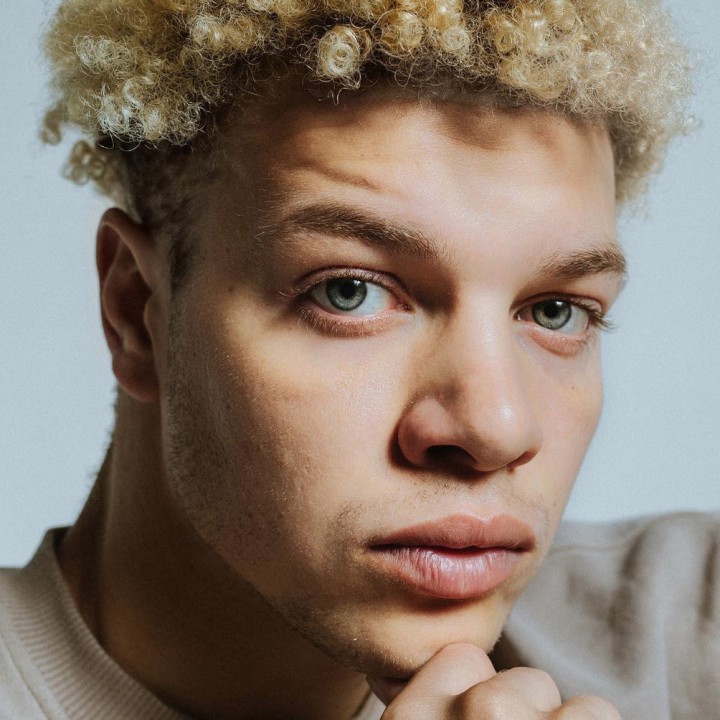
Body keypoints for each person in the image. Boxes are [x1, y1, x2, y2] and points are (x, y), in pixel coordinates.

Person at [1, 1, 716, 718]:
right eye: (349, 293)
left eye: (556, 311)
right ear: (135, 311)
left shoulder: (686, 638)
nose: (496, 427)